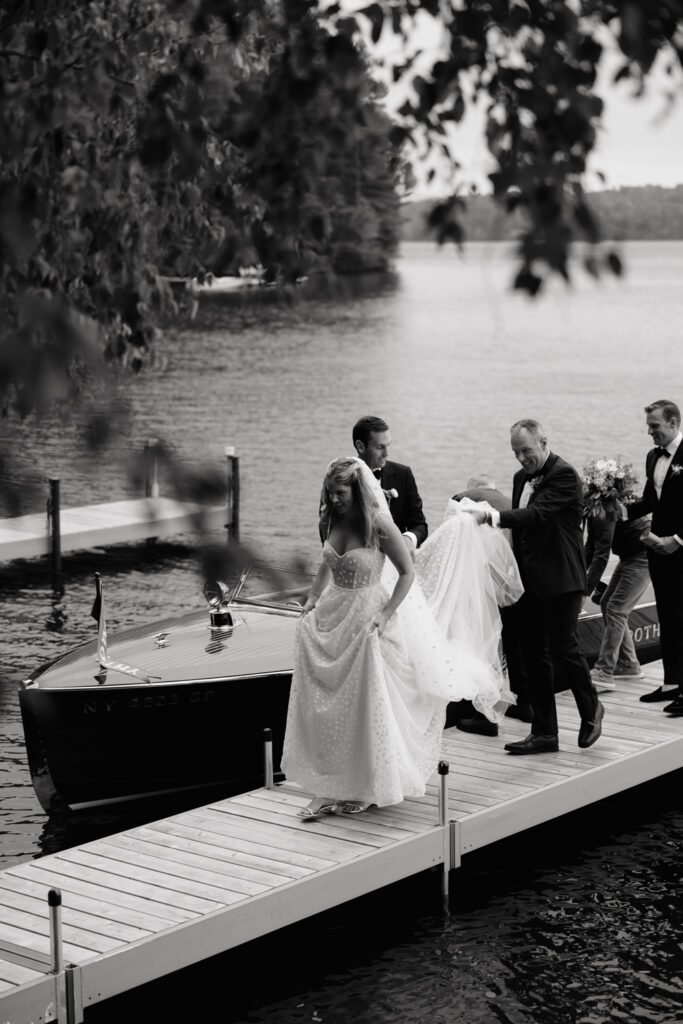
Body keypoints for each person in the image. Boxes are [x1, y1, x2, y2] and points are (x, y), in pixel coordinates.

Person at [282, 456, 513, 819]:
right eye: (330, 492)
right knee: (324, 705)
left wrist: (385, 614)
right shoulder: (330, 517)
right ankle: (326, 785)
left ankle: (363, 786)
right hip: (333, 613)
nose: (334, 499)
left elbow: (406, 572)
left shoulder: (379, 524)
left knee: (361, 706)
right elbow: (327, 561)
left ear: (355, 490)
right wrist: (312, 598)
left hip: (367, 617)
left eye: (340, 492)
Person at [465, 419, 604, 754]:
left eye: (526, 450)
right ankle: (545, 733)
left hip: (562, 578)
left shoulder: (565, 475)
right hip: (529, 582)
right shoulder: (519, 477)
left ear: (544, 441)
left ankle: (592, 709)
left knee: (563, 649)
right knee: (533, 654)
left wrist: (493, 517)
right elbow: (522, 534)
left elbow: (537, 514)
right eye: (515, 452)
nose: (521, 458)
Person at [451, 474, 532, 734]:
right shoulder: (510, 504)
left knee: (487, 647)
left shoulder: (462, 500)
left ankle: (486, 716)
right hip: (517, 583)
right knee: (515, 645)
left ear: (472, 489)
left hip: (485, 584)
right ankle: (525, 705)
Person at [626, 400, 683, 715]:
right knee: (667, 617)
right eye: (648, 426)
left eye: (655, 426)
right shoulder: (653, 457)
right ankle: (672, 684)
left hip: (680, 547)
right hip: (657, 548)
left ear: (673, 422)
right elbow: (650, 499)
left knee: (682, 618)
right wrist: (619, 510)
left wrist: (678, 540)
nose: (650, 433)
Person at [583, 509, 651, 692]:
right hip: (629, 556)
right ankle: (629, 664)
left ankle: (604, 672)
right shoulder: (594, 509)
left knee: (616, 609)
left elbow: (602, 555)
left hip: (643, 556)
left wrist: (585, 592)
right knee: (608, 604)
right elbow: (591, 546)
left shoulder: (605, 508)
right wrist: (578, 577)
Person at [352, 415, 428, 557]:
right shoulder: (341, 477)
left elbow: (420, 526)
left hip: (395, 566)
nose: (387, 453)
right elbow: (326, 529)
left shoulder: (403, 474)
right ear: (360, 446)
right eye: (380, 447)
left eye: (388, 446)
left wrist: (409, 538)